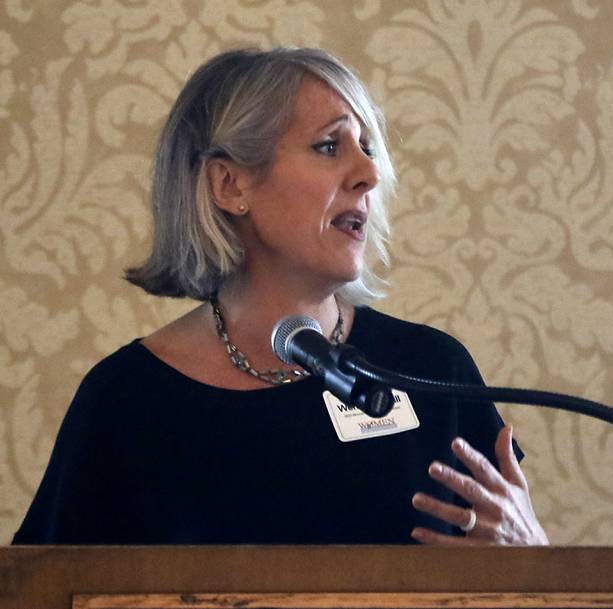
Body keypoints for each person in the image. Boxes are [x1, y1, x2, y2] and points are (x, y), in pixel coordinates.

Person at [12, 47, 548, 546]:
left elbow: (525, 580)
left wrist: (533, 563)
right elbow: (43, 594)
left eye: (367, 148)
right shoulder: (124, 400)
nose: (368, 173)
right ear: (230, 185)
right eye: (328, 146)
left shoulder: (431, 370)